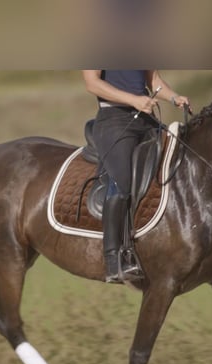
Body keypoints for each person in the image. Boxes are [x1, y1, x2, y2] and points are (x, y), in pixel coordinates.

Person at [82, 70, 190, 283]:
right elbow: (92, 83)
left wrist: (173, 97)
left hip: (145, 120)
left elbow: (152, 79)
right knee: (121, 181)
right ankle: (113, 258)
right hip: (114, 120)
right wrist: (134, 100)